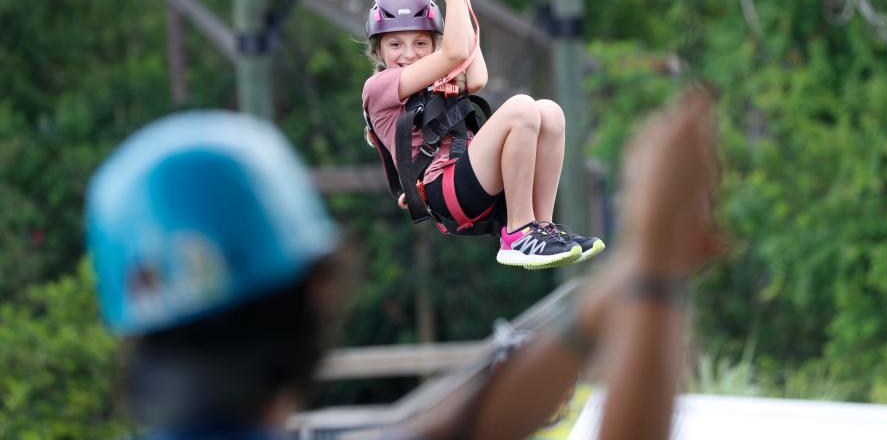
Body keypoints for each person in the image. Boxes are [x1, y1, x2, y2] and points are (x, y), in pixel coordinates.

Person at [86, 89, 723, 440]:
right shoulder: (392, 98)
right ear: (322, 288)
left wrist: (605, 303)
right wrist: (654, 268)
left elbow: (441, 430)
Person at [362, 0, 604, 269]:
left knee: (550, 113)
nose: (408, 54)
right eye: (395, 44)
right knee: (520, 108)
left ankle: (541, 229)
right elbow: (456, 52)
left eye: (420, 43)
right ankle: (518, 234)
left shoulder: (435, 75)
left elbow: (476, 76)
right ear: (378, 51)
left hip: (473, 178)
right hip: (444, 190)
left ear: (434, 43)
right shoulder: (380, 87)